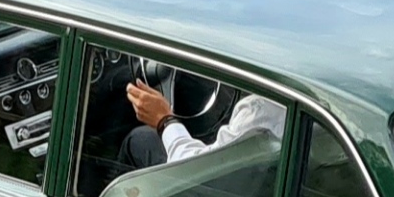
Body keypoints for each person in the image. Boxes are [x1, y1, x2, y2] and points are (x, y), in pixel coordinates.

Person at [117, 82, 285, 171]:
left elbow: (195, 170)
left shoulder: (259, 110)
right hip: (255, 191)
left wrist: (164, 120)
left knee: (138, 141)